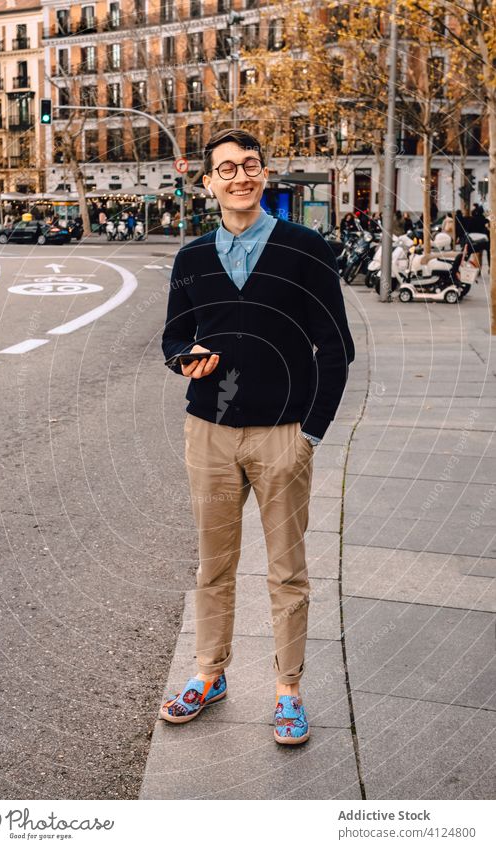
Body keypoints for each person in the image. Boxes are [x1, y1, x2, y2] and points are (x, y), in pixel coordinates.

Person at [161, 128, 355, 745]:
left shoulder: (305, 248)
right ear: (208, 182)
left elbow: (336, 348)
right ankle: (209, 674)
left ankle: (287, 690)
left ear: (264, 175)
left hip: (283, 436)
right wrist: (183, 357)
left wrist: (312, 433)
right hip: (209, 435)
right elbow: (172, 338)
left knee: (287, 570)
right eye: (227, 168)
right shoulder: (191, 258)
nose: (240, 176)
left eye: (250, 165)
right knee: (213, 566)